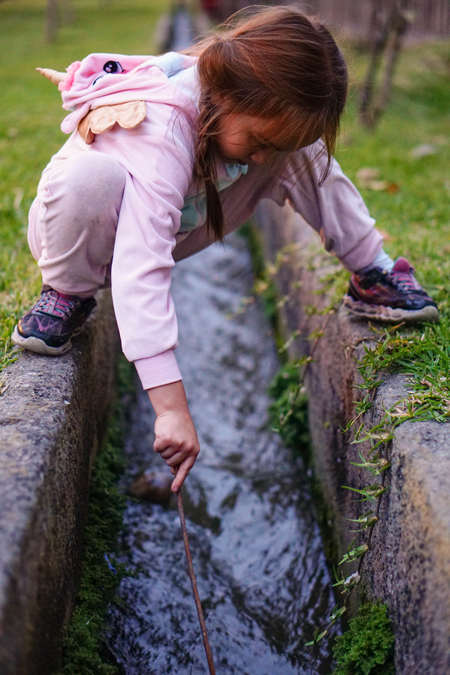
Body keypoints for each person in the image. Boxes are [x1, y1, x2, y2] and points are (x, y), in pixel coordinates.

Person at [12, 6, 438, 492]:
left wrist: (280, 149)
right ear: (227, 92)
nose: (263, 157)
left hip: (173, 228)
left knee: (305, 157)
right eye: (258, 141)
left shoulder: (253, 133)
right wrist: (170, 408)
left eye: (270, 147)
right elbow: (140, 265)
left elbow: (317, 176)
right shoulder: (162, 122)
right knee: (92, 177)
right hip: (78, 236)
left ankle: (372, 273)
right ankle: (66, 294)